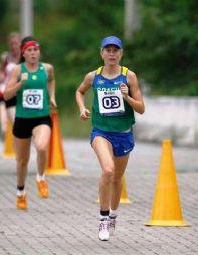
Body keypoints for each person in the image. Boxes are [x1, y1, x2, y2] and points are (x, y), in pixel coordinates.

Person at [76, 36, 145, 241]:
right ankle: (103, 219)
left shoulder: (129, 76)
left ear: (121, 53)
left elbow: (141, 108)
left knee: (116, 178)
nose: (112, 53)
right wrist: (82, 107)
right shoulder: (93, 76)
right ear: (102, 53)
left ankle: (113, 214)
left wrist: (127, 97)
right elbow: (79, 92)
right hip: (101, 132)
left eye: (116, 50)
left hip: (123, 133)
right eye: (108, 50)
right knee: (107, 170)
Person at [3, 36, 57, 210]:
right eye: (29, 50)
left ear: (39, 52)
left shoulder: (47, 68)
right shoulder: (18, 71)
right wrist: (20, 84)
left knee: (41, 147)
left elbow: (51, 80)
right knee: (22, 161)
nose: (33, 53)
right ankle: (21, 193)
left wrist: (52, 97)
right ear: (23, 53)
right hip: (22, 119)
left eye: (36, 50)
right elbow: (6, 95)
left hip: (42, 116)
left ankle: (40, 178)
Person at [0, 32, 21, 139]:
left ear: (20, 44)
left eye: (16, 43)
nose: (13, 46)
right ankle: (3, 128)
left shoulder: (25, 57)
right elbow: (1, 72)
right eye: (11, 44)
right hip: (5, 89)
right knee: (3, 111)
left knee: (16, 120)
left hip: (19, 91)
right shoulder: (5, 57)